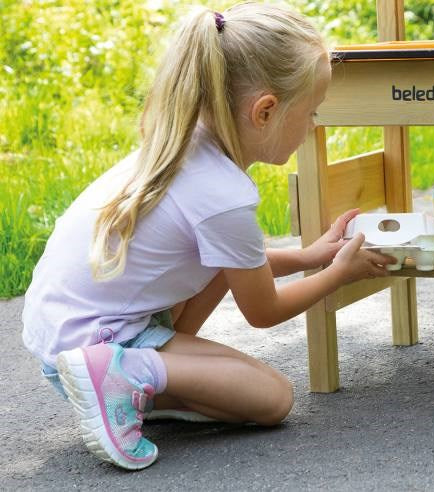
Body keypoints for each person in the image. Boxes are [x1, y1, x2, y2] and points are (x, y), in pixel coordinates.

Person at [21, 3, 395, 470]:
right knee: (273, 398)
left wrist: (308, 256)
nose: (313, 126)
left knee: (241, 374)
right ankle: (125, 374)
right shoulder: (224, 193)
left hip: (64, 334)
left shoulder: (183, 141)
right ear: (265, 111)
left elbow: (234, 264)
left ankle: (135, 384)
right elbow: (263, 309)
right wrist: (338, 273)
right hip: (94, 342)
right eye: (311, 112)